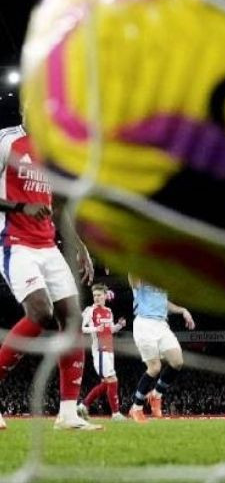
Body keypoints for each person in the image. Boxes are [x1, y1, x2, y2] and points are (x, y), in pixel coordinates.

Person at [0, 124, 98, 430]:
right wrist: (21, 207)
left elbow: (57, 207)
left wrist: (80, 246)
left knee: (72, 319)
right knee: (41, 312)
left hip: (47, 245)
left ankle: (68, 414)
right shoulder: (7, 141)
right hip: (14, 243)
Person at [128, 276, 194, 422]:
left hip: (161, 324)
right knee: (154, 368)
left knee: (177, 362)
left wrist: (182, 310)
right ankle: (136, 408)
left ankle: (156, 395)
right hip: (144, 324)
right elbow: (133, 278)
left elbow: (164, 303)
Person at [79, 283, 126, 419]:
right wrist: (95, 329)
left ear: (105, 296)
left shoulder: (109, 311)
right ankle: (116, 414)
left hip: (110, 350)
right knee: (112, 379)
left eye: (99, 295)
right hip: (100, 351)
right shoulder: (90, 310)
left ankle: (83, 406)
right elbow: (80, 327)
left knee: (106, 383)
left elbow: (110, 330)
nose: (96, 298)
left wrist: (119, 326)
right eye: (94, 295)